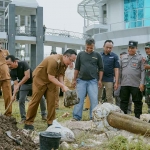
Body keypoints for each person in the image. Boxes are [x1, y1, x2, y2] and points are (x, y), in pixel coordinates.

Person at [24, 49, 77, 130]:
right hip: (40, 78)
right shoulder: (54, 61)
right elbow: (51, 77)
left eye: (73, 61)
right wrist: (62, 86)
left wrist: (62, 85)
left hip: (51, 81)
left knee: (52, 101)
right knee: (36, 100)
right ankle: (28, 123)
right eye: (70, 60)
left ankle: (50, 122)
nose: (71, 63)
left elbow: (60, 75)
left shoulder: (65, 63)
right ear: (65, 56)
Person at [6, 55, 47, 123]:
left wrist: (19, 84)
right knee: (21, 100)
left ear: (15, 61)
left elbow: (27, 76)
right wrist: (13, 96)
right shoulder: (12, 72)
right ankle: (23, 118)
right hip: (24, 85)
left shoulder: (23, 64)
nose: (8, 66)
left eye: (9, 64)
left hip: (34, 82)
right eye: (7, 65)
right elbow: (16, 84)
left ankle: (44, 114)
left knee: (41, 98)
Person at [72, 38, 104, 121]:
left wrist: (100, 80)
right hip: (81, 80)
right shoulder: (80, 54)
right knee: (79, 99)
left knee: (94, 100)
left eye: (91, 47)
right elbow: (77, 68)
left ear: (94, 46)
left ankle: (93, 117)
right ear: (85, 45)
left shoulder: (97, 55)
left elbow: (101, 68)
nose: (89, 49)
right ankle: (76, 117)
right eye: (88, 47)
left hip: (93, 81)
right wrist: (74, 79)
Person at [120, 41, 145, 119]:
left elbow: (143, 71)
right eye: (129, 48)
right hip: (124, 84)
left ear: (136, 48)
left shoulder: (140, 58)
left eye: (133, 48)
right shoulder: (123, 57)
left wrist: (142, 83)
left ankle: (137, 118)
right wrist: (118, 82)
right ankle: (123, 118)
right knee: (124, 102)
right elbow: (120, 70)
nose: (130, 49)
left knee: (137, 102)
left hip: (136, 84)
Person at [98, 40, 120, 104]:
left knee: (109, 97)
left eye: (110, 48)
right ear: (103, 46)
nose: (108, 49)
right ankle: (98, 110)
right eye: (107, 47)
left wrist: (116, 82)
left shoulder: (115, 56)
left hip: (109, 79)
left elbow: (116, 70)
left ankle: (111, 111)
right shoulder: (99, 55)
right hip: (99, 79)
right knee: (98, 96)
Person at [0, 44, 12, 116]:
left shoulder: (6, 52)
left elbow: (11, 61)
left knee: (8, 96)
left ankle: (8, 114)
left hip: (6, 77)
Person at [144, 42, 150, 113]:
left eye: (148, 48)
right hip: (148, 86)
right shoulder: (147, 59)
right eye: (146, 49)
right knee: (148, 103)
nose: (147, 50)